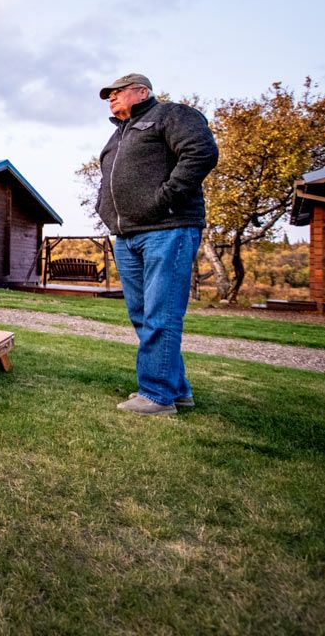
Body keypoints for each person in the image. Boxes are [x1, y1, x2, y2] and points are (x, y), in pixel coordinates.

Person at [95, 73, 219, 416]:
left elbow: (201, 152)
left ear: (142, 91)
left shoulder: (170, 115)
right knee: (142, 315)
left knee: (161, 314)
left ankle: (156, 396)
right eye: (109, 95)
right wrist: (103, 209)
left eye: (118, 92)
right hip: (128, 235)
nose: (111, 98)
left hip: (168, 229)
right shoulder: (118, 135)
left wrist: (165, 198)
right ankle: (177, 390)